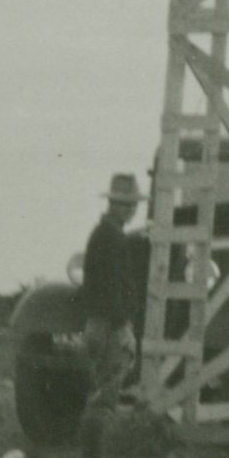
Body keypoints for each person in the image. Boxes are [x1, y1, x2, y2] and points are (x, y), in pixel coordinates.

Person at [82, 171, 147, 403]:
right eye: (126, 204)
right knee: (106, 396)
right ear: (112, 203)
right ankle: (94, 438)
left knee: (101, 390)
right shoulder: (113, 237)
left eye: (133, 205)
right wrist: (123, 325)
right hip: (110, 327)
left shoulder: (104, 234)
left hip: (99, 325)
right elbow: (111, 288)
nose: (131, 210)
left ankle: (90, 435)